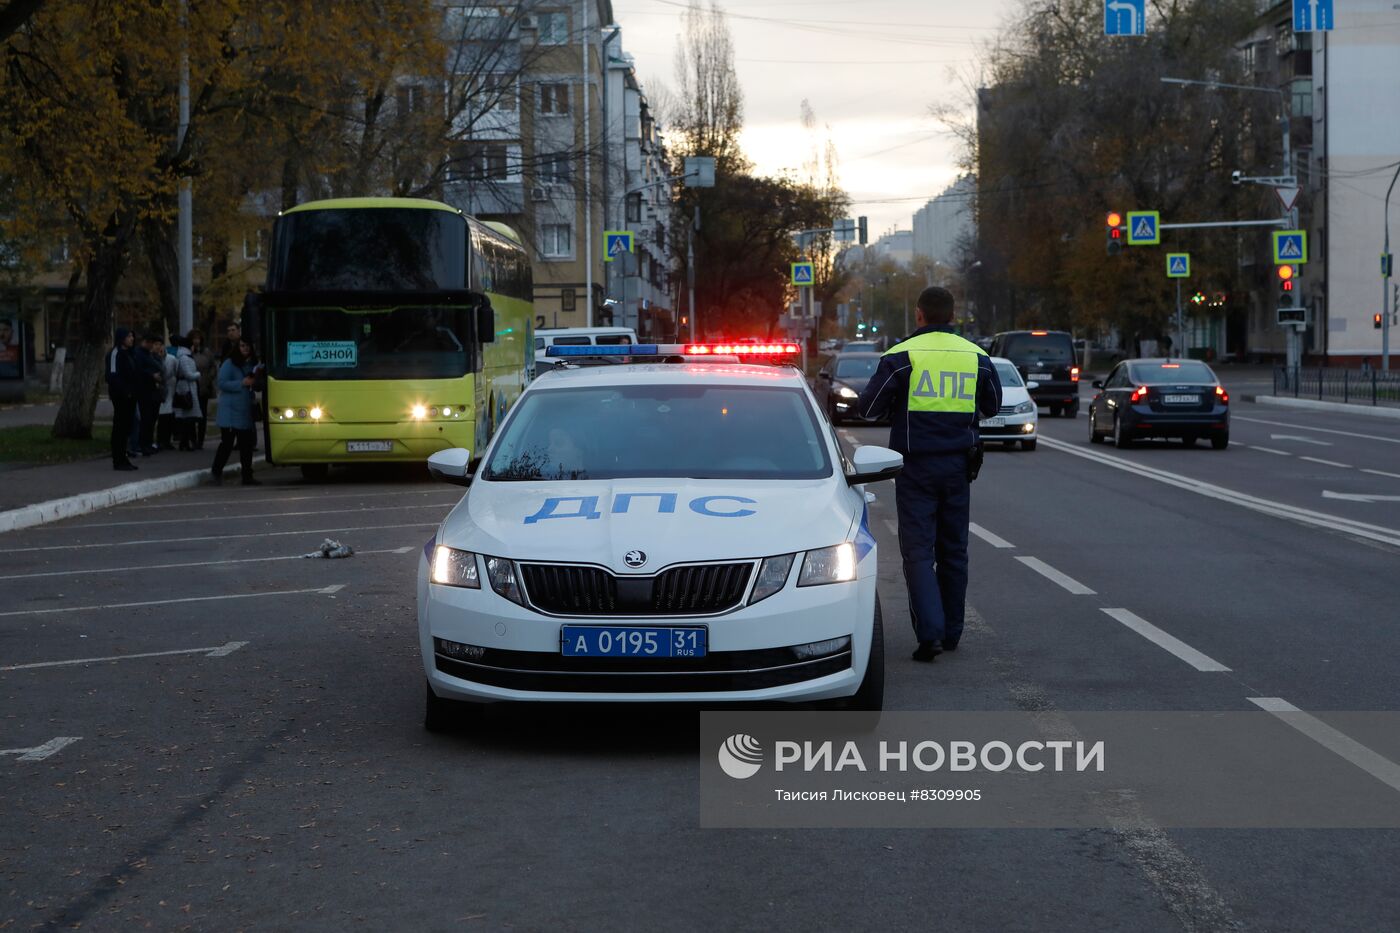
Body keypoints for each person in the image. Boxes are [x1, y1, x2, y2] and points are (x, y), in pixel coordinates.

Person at [856, 286, 1002, 662]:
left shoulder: (901, 356)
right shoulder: (978, 356)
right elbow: (992, 405)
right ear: (952, 316)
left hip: (915, 467)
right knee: (954, 550)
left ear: (919, 315)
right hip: (959, 466)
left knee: (919, 552)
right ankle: (952, 633)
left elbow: (868, 408)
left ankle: (931, 635)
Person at [211, 338, 260, 485]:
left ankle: (247, 475)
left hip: (245, 410)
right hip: (230, 411)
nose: (245, 348)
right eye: (242, 346)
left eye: (247, 346)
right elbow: (222, 383)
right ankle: (216, 471)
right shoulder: (230, 363)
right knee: (227, 443)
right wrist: (242, 383)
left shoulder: (252, 364)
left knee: (247, 445)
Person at [105, 329, 139, 471]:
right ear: (122, 338)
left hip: (131, 395)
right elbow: (112, 376)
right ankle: (118, 459)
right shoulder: (115, 353)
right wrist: (125, 391)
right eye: (129, 336)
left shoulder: (129, 354)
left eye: (132, 336)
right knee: (120, 426)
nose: (131, 338)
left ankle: (124, 457)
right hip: (121, 396)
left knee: (126, 427)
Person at [133, 333, 164, 455]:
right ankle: (143, 444)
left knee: (151, 418)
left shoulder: (149, 355)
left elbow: (157, 366)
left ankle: (148, 443)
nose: (153, 346)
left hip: (152, 389)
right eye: (151, 343)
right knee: (146, 418)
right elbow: (139, 370)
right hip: (144, 390)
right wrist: (152, 375)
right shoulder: (139, 354)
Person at [172, 335, 201, 450]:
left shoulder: (183, 356)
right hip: (187, 388)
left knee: (187, 418)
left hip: (186, 387)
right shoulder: (185, 357)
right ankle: (184, 442)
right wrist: (198, 374)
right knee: (187, 417)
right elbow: (188, 374)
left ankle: (185, 442)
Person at [188, 328, 215, 448]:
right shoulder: (188, 353)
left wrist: (208, 378)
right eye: (194, 339)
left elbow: (213, 367)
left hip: (204, 386)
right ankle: (193, 439)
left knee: (202, 415)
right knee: (192, 414)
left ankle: (200, 440)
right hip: (192, 387)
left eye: (198, 339)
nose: (196, 341)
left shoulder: (207, 352)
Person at [156, 337, 178, 451]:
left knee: (169, 415)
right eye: (157, 345)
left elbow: (174, 372)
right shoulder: (154, 359)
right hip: (159, 390)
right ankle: (160, 440)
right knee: (161, 416)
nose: (159, 347)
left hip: (170, 388)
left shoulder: (172, 359)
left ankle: (167, 440)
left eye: (161, 344)